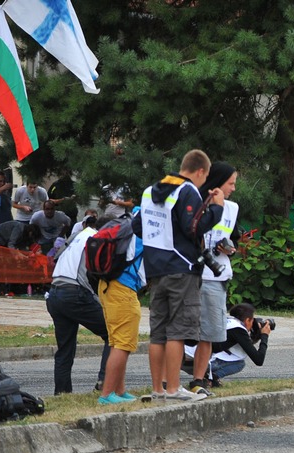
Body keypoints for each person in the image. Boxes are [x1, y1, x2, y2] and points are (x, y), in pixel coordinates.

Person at [135, 148, 223, 403]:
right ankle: (173, 388)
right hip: (182, 268)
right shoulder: (187, 191)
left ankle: (158, 388)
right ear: (200, 171)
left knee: (158, 331)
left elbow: (137, 226)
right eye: (203, 178)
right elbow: (193, 227)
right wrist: (215, 210)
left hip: (156, 269)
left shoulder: (150, 191)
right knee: (177, 331)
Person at [188, 162, 240, 395]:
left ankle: (200, 379)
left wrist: (229, 248)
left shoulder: (232, 208)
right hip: (195, 274)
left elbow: (234, 240)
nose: (233, 188)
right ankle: (175, 380)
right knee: (187, 331)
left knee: (210, 332)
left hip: (218, 274)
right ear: (217, 183)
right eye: (231, 183)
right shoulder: (195, 201)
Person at [44, 221, 109, 395]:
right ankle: (104, 383)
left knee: (65, 348)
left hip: (55, 292)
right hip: (74, 293)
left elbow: (57, 257)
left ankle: (62, 393)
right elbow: (98, 272)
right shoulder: (97, 238)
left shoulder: (77, 236)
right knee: (114, 333)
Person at [96, 217, 145, 404]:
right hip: (123, 287)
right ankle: (107, 395)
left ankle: (119, 390)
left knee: (117, 341)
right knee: (123, 343)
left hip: (109, 285)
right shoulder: (147, 227)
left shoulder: (130, 223)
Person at [182, 303, 271, 382]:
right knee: (239, 363)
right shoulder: (238, 329)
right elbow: (258, 360)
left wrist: (256, 333)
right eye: (252, 321)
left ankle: (209, 378)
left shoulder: (227, 322)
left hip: (185, 354)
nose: (252, 324)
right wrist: (264, 336)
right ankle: (211, 379)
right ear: (248, 320)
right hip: (196, 360)